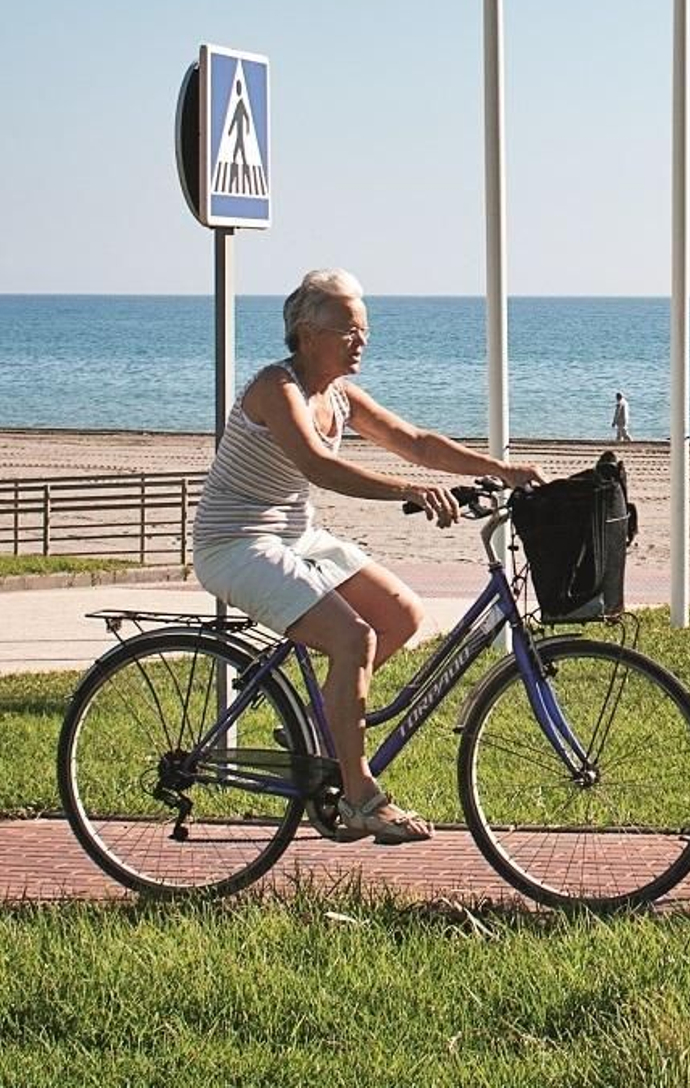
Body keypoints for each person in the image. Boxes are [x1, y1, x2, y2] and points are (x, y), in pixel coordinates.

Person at [192, 269, 546, 844]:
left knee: (402, 615)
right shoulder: (275, 389)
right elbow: (317, 466)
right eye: (348, 330)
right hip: (235, 543)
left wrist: (498, 469)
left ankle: (320, 723)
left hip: (295, 535)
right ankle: (360, 798)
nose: (361, 341)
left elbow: (415, 441)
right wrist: (405, 491)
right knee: (353, 637)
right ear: (307, 334)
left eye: (364, 330)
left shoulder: (338, 395)